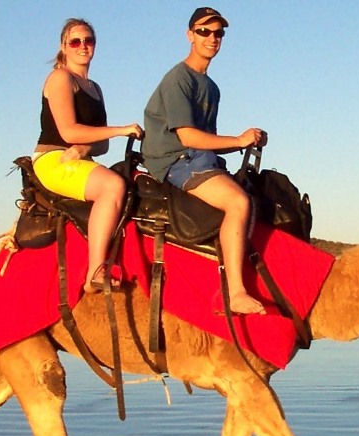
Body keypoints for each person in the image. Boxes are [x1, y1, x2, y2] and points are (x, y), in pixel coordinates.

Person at [142, 7, 268, 315]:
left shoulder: (210, 87)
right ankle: (235, 293)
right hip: (175, 160)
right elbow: (188, 137)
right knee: (238, 202)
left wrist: (247, 143)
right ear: (190, 35)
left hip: (198, 157)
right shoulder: (178, 80)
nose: (212, 38)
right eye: (204, 31)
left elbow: (206, 141)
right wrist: (238, 140)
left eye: (218, 33)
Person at [33, 18, 143, 294]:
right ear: (64, 47)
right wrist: (120, 130)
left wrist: (85, 148)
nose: (83, 46)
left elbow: (100, 145)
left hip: (80, 159)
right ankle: (95, 272)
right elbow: (69, 131)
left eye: (89, 40)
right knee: (112, 186)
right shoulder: (60, 78)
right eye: (75, 41)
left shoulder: (95, 88)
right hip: (54, 160)